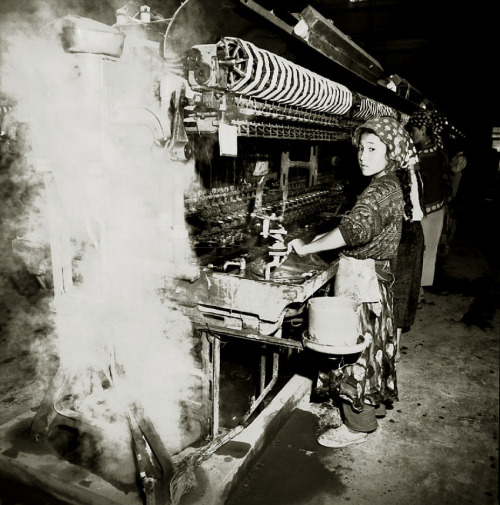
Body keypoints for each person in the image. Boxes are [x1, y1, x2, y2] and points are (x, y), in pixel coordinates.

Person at [289, 116, 417, 448]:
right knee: (373, 346)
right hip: (376, 276)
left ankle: (358, 425)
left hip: (363, 279)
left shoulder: (380, 190)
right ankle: (371, 405)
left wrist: (308, 246)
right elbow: (358, 226)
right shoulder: (388, 183)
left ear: (391, 153)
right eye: (362, 148)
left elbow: (353, 230)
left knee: (352, 353)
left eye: (373, 149)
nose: (363, 155)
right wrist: (324, 236)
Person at [407, 110, 450, 290]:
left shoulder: (423, 158)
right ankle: (420, 291)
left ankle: (417, 293)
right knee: (428, 252)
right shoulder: (438, 152)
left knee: (419, 253)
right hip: (437, 209)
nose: (411, 135)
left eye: (413, 131)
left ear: (423, 129)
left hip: (426, 213)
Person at [390, 148, 425, 361]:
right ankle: (394, 345)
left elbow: (412, 211)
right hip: (411, 233)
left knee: (398, 289)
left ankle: (393, 348)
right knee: (401, 289)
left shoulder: (402, 176)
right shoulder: (413, 173)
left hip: (405, 235)